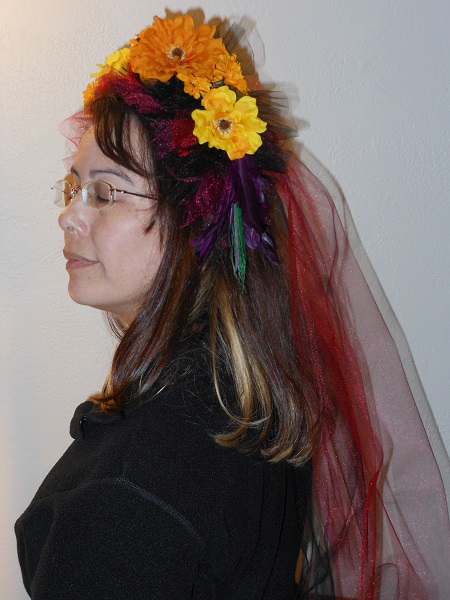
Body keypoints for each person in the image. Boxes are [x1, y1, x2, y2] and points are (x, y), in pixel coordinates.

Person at [15, 12, 450, 600]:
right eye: (72, 188)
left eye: (105, 191)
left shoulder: (130, 491)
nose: (69, 214)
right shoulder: (249, 405)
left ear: (195, 217)